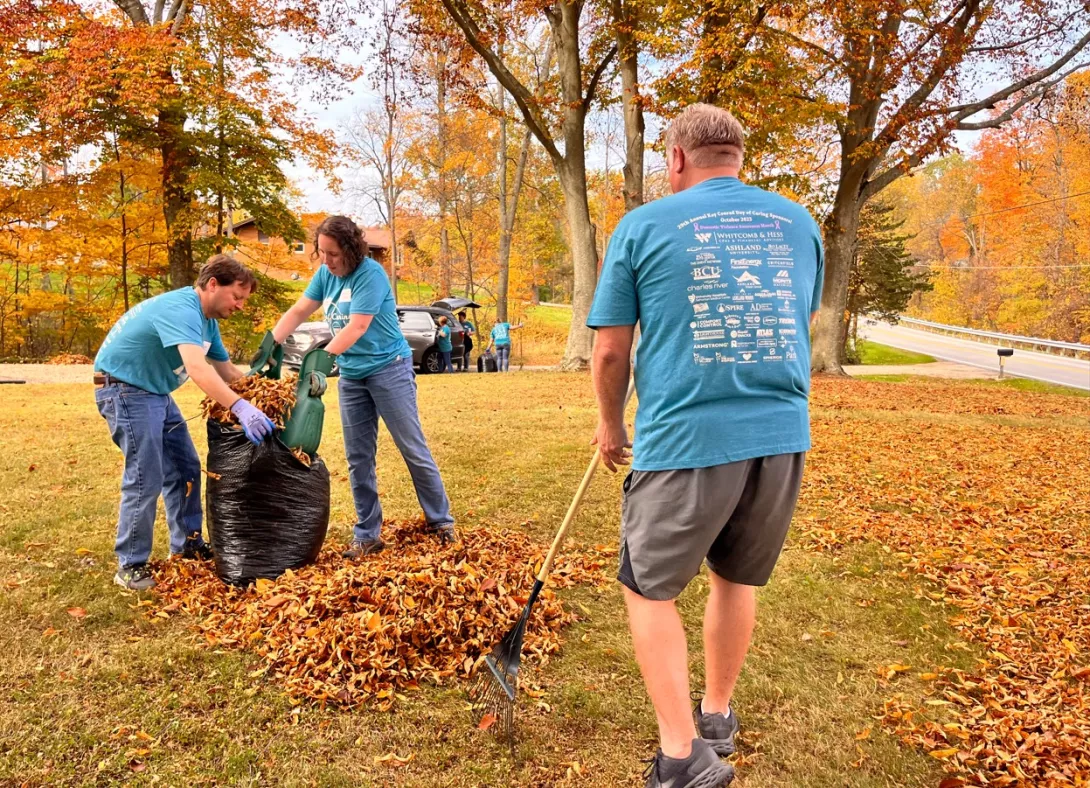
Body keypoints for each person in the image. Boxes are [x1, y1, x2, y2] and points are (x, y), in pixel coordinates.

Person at [587, 104, 824, 787]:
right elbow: (795, 320)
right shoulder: (799, 222)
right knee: (735, 575)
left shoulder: (642, 226)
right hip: (780, 436)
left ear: (678, 159)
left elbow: (609, 351)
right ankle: (715, 713)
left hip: (686, 438)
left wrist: (611, 422)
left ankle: (683, 752)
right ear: (738, 158)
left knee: (648, 587)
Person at [271, 216, 456, 557]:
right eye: (321, 252)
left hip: (390, 369)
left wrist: (322, 360)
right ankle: (367, 534)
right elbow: (299, 310)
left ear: (351, 250)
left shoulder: (370, 274)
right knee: (358, 458)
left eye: (333, 254)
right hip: (353, 376)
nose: (326, 261)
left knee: (411, 448)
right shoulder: (325, 274)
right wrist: (272, 341)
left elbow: (357, 327)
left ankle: (440, 521)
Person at [94, 256, 276, 592]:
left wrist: (266, 395)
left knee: (185, 468)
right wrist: (239, 408)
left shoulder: (207, 323)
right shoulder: (182, 309)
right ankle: (131, 564)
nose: (239, 305)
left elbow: (228, 372)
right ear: (212, 285)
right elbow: (197, 368)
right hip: (123, 389)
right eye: (237, 296)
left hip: (154, 391)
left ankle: (188, 546)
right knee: (145, 474)